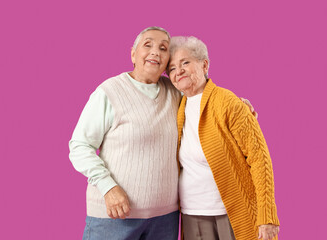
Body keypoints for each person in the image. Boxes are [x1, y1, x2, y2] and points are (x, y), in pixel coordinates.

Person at [69, 26, 256, 240]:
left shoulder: (175, 92)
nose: (155, 52)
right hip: (114, 218)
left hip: (165, 220)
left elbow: (203, 96)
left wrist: (236, 104)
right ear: (133, 53)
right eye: (147, 45)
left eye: (163, 48)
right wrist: (108, 188)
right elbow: (79, 146)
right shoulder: (109, 92)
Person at [167, 36, 280, 240]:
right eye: (172, 68)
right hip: (193, 213)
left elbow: (259, 159)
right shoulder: (176, 107)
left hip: (233, 212)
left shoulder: (228, 102)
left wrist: (266, 215)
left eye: (185, 62)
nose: (179, 71)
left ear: (204, 64)